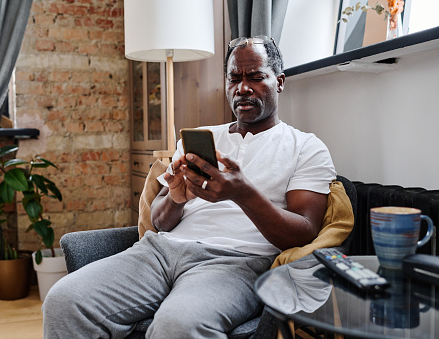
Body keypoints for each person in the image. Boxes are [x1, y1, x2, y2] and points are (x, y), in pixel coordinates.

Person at [42, 35, 336, 338]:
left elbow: (305, 231)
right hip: (158, 253)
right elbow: (159, 220)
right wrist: (176, 199)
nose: (243, 88)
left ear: (280, 81)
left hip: (236, 263)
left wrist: (243, 193)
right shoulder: (199, 137)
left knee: (178, 326)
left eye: (256, 77)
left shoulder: (306, 147)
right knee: (64, 301)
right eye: (234, 78)